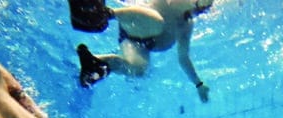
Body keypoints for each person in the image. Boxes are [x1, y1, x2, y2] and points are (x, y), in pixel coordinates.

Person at [67, 0, 214, 101]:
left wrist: (199, 84)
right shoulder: (165, 3)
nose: (197, 10)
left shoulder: (186, 25)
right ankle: (101, 14)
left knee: (139, 70)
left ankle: (98, 65)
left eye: (201, 9)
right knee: (157, 23)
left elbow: (183, 57)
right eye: (198, 4)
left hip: (137, 44)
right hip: (133, 24)